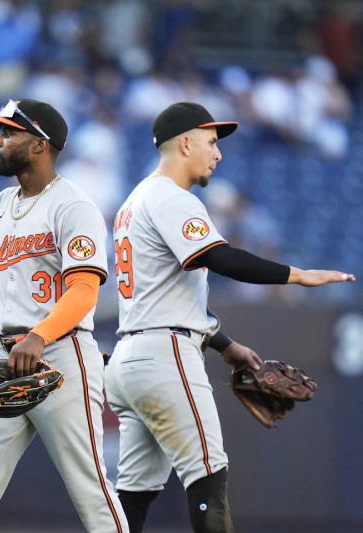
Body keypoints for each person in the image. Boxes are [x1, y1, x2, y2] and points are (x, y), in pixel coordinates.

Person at [105, 101, 356, 533]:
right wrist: (297, 275)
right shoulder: (170, 196)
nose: (218, 154)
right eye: (211, 142)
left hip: (131, 358)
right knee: (208, 473)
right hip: (164, 356)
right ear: (185, 143)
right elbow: (220, 258)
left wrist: (225, 344)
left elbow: (168, 295)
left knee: (136, 492)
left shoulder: (135, 200)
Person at [0, 98, 128, 532]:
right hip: (5, 356)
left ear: (39, 145)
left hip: (61, 356)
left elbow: (85, 291)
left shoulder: (74, 206)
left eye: (9, 132)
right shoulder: (0, 205)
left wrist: (41, 335)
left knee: (91, 490)